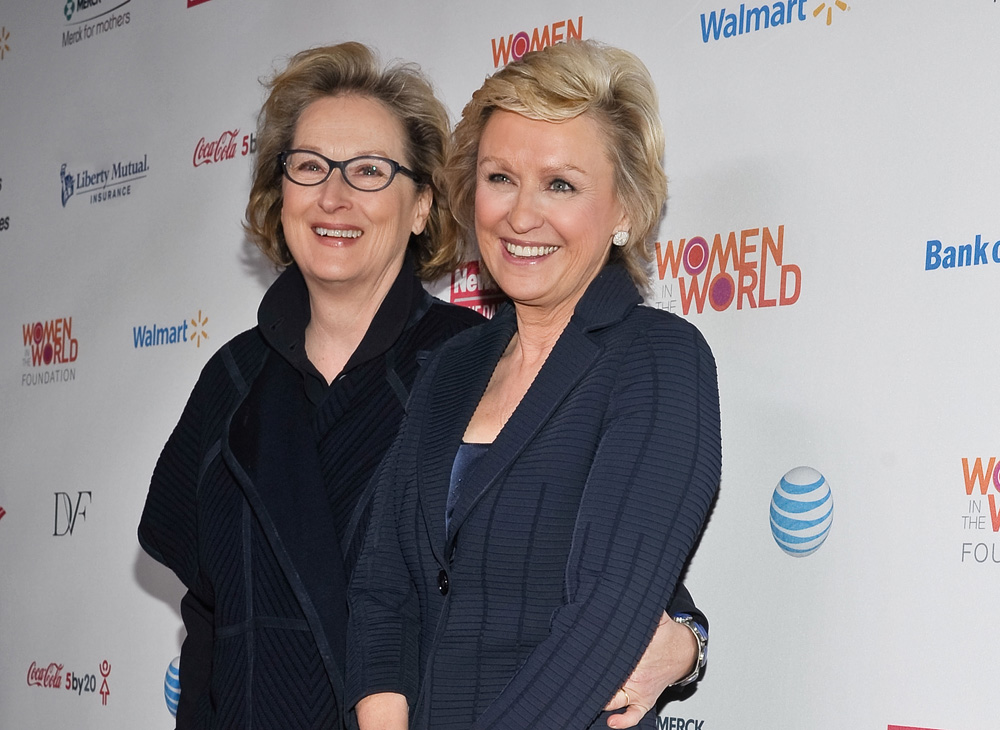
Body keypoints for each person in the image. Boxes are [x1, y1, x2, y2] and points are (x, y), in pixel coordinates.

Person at [138, 42, 707, 730]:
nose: (334, 197)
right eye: (310, 166)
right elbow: (221, 612)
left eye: (369, 171)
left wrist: (687, 641)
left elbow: (616, 586)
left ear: (422, 206)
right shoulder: (237, 382)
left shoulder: (473, 354)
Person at [347, 39, 722, 730]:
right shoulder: (450, 367)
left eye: (561, 185)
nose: (521, 215)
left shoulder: (659, 360)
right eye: (500, 177)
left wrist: (687, 643)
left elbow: (605, 621)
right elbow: (382, 587)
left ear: (625, 210)